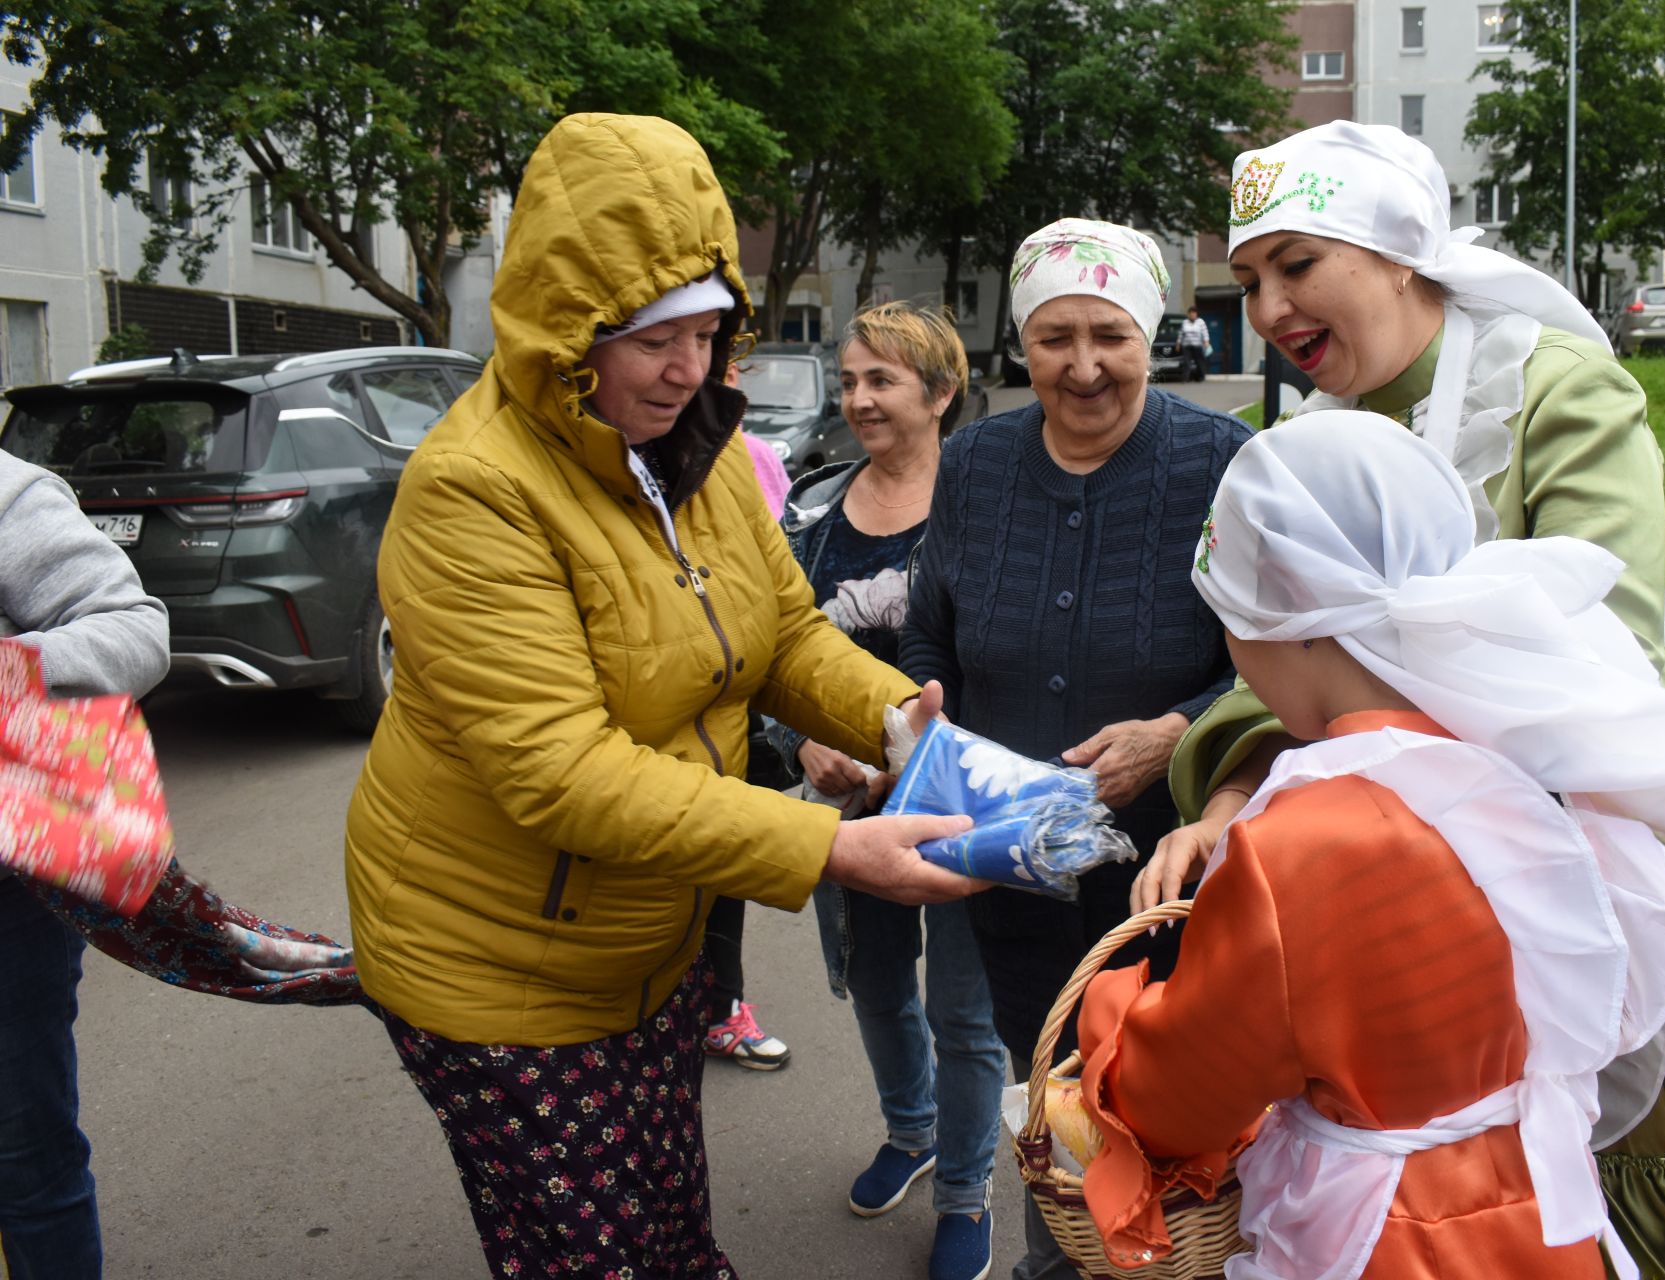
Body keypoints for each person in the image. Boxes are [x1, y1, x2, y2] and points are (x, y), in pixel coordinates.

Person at [1147, 120, 1665, 1270]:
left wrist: (1377, 800)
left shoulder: (1551, 389)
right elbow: (1280, 655)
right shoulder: (1298, 432)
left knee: (1625, 1191)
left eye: (1298, 264)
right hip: (1395, 925)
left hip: (1579, 873)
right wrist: (1232, 796)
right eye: (1248, 280)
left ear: (1398, 249)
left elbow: (1602, 638)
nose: (1273, 308)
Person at [342, 113, 975, 1280]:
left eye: (708, 333)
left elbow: (780, 629)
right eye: (652, 341)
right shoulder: (472, 492)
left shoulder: (698, 445)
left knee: (670, 1219)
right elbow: (562, 770)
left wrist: (896, 718)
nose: (689, 372)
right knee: (592, 1251)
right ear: (567, 331)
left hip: (647, 937)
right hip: (496, 968)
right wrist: (829, 851)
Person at [1077, 411, 1665, 1279]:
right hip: (1545, 1211)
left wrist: (1113, 1015)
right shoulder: (1528, 754)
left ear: (1266, 618)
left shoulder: (1298, 848)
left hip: (1389, 1237)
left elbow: (1181, 1092)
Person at [897, 218, 1252, 1280]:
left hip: (1171, 879)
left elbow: (1277, 666)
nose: (1083, 364)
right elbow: (928, 633)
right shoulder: (975, 461)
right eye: (1055, 336)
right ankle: (1063, 1257)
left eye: (1110, 334)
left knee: (1188, 1121)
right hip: (1016, 875)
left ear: (1152, 332)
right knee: (1049, 1101)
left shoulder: (1222, 462)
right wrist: (919, 721)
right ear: (1021, 341)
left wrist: (1178, 728)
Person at [769, 301, 1005, 1280]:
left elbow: (1015, 659)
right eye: (850, 377)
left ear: (942, 393)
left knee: (963, 1010)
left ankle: (965, 1187)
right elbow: (768, 653)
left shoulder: (991, 506)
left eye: (881, 380)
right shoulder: (814, 517)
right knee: (873, 984)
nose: (857, 397)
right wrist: (802, 740)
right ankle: (910, 1131)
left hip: (958, 806)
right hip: (847, 816)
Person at [0, 447, 169, 1280]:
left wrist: (10, 674)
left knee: (26, 1160)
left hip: (4, 903)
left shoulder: (8, 495)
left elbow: (134, 628)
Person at [700, 362, 797, 1072]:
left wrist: (894, 724)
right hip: (676, 723)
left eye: (723, 357)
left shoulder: (749, 457)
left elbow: (787, 613)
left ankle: (720, 1004)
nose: (706, 375)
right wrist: (822, 845)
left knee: (722, 867)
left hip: (741, 709)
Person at [1176, 306, 1209, 382]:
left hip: (1197, 345)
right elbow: (1181, 334)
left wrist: (1206, 341)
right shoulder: (1185, 322)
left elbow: (1205, 332)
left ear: (1196, 314)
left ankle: (1201, 377)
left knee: (1199, 362)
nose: (1192, 315)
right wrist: (1178, 343)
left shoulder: (1200, 322)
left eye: (1194, 314)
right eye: (1191, 314)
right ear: (1188, 314)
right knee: (1187, 362)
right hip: (1186, 346)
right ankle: (1185, 378)